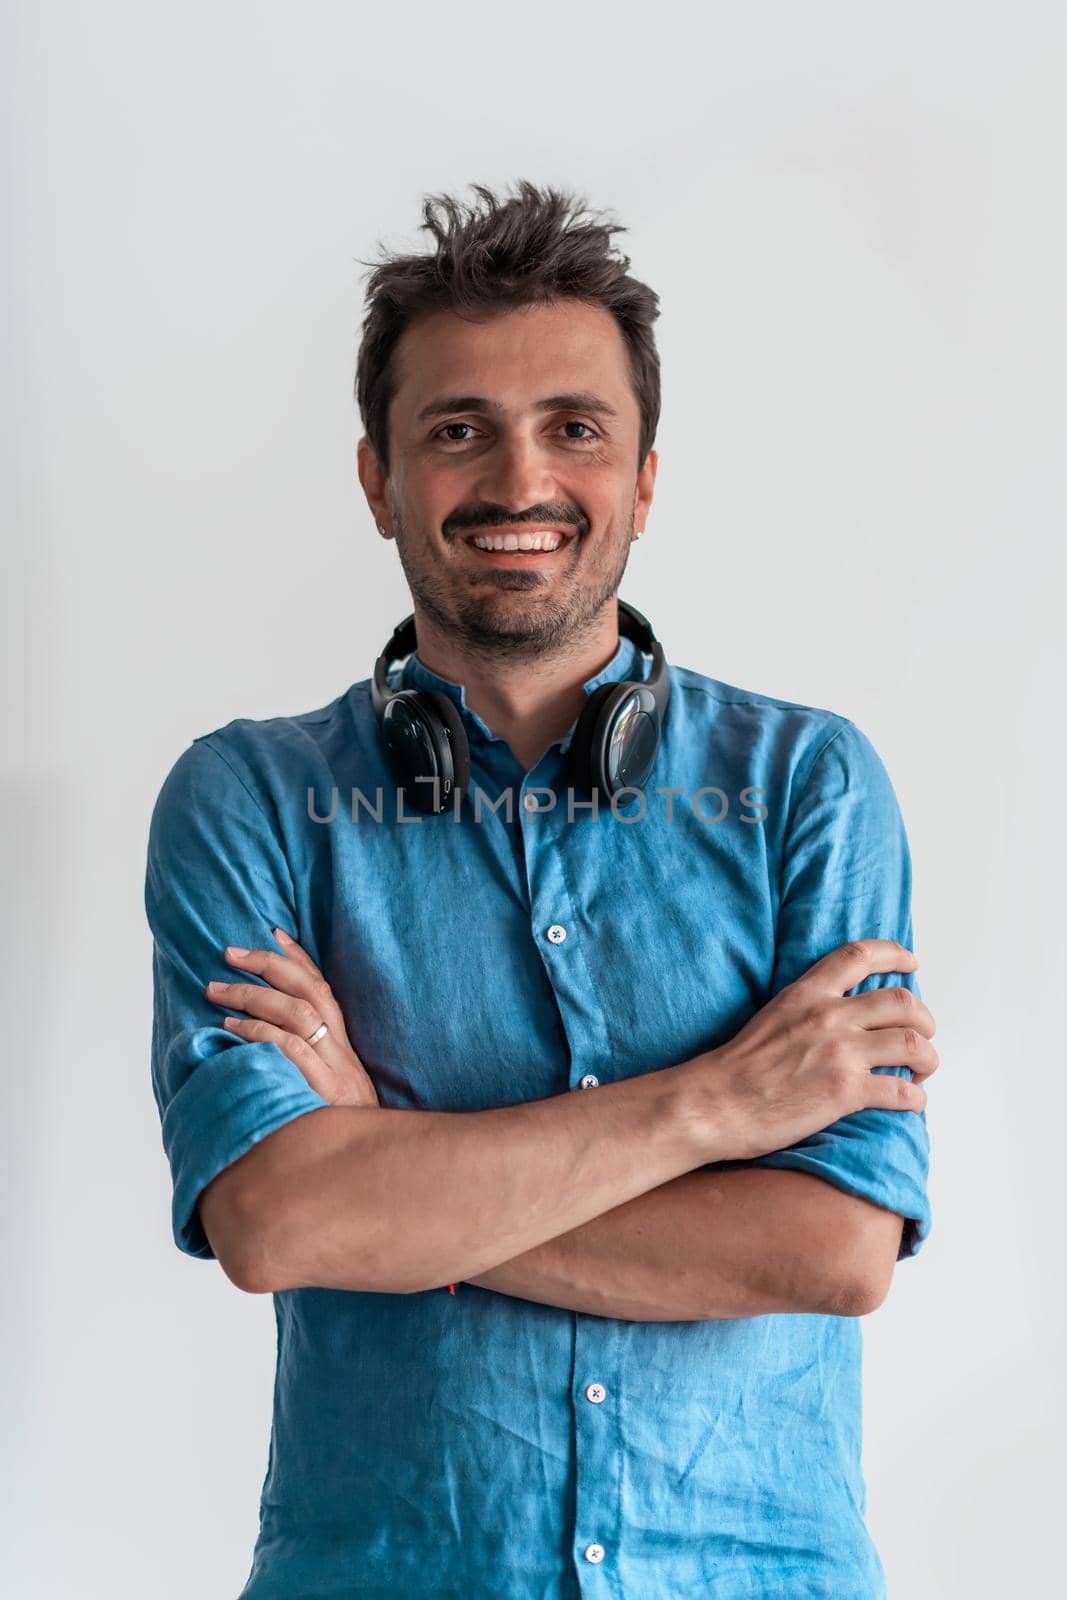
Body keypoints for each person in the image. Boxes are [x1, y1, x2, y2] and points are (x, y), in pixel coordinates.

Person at [144, 180, 937, 1599]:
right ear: (379, 476)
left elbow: (831, 1248)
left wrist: (393, 1166)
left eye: (575, 427)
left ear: (644, 477)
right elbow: (279, 1224)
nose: (520, 481)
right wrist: (711, 1111)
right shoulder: (249, 800)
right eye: (459, 431)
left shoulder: (811, 787)